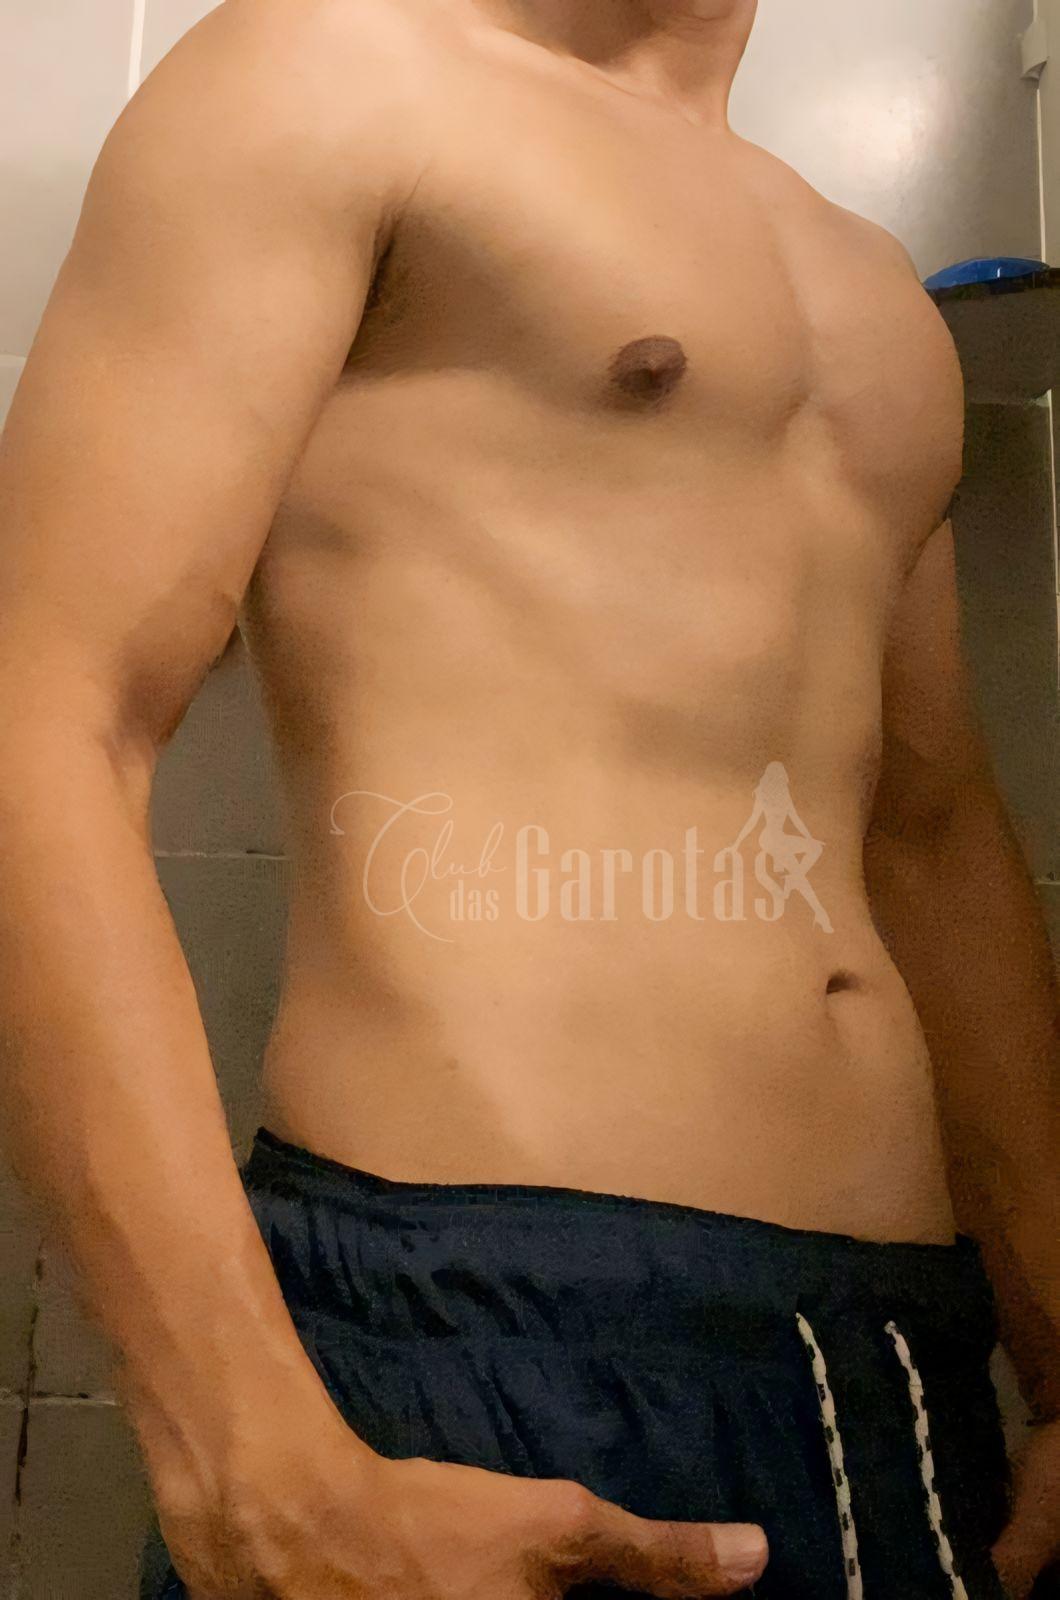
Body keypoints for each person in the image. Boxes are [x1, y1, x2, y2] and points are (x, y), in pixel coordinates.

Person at [0, 0, 1056, 1595]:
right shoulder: (331, 70)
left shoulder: (868, 281)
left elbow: (930, 833)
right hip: (482, 1316)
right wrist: (240, 1455)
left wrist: (1056, 1356)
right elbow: (47, 713)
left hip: (900, 1363)